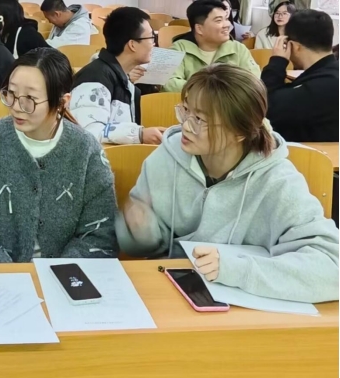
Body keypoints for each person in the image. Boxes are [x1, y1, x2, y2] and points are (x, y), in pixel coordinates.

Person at [116, 64, 339, 304]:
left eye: (200, 119)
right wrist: (141, 232)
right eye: (186, 111)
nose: (186, 125)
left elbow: (332, 269)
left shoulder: (278, 180)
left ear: (240, 132)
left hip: (249, 306)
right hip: (175, 294)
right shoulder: (165, 159)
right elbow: (145, 251)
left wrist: (236, 270)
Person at [0, 48, 118, 263]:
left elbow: (100, 233)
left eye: (30, 98)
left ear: (62, 102)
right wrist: (6, 271)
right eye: (11, 93)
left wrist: (60, 271)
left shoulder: (86, 150)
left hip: (66, 275)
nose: (17, 107)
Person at [70, 7, 164, 145]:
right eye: (151, 37)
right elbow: (88, 133)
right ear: (132, 45)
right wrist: (138, 134)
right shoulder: (94, 80)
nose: (154, 43)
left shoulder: (122, 77)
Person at [261, 10, 338, 143]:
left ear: (295, 46)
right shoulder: (330, 73)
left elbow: (264, 108)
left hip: (305, 153)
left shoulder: (320, 86)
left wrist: (277, 62)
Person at [162, 0, 260, 93]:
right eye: (219, 20)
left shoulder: (238, 48)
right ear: (199, 29)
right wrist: (211, 91)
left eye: (226, 19)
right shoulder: (177, 48)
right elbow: (167, 83)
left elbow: (253, 81)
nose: (227, 24)